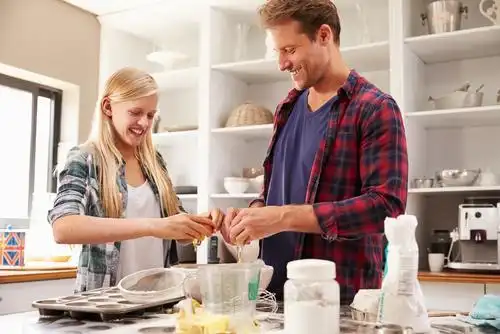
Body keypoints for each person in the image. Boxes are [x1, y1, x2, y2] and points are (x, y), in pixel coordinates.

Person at [219, 0, 408, 305]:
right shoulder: (287, 108)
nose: (281, 64)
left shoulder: (374, 108)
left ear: (323, 35)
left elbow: (387, 207)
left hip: (339, 303)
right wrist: (251, 216)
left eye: (289, 50)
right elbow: (276, 194)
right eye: (277, 52)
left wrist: (282, 217)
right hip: (272, 299)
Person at [47, 67, 218, 292]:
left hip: (159, 299)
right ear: (108, 107)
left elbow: (174, 228)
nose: (145, 123)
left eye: (150, 115)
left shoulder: (154, 162)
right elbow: (63, 228)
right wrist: (153, 227)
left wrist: (200, 223)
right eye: (135, 112)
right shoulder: (84, 159)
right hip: (105, 304)